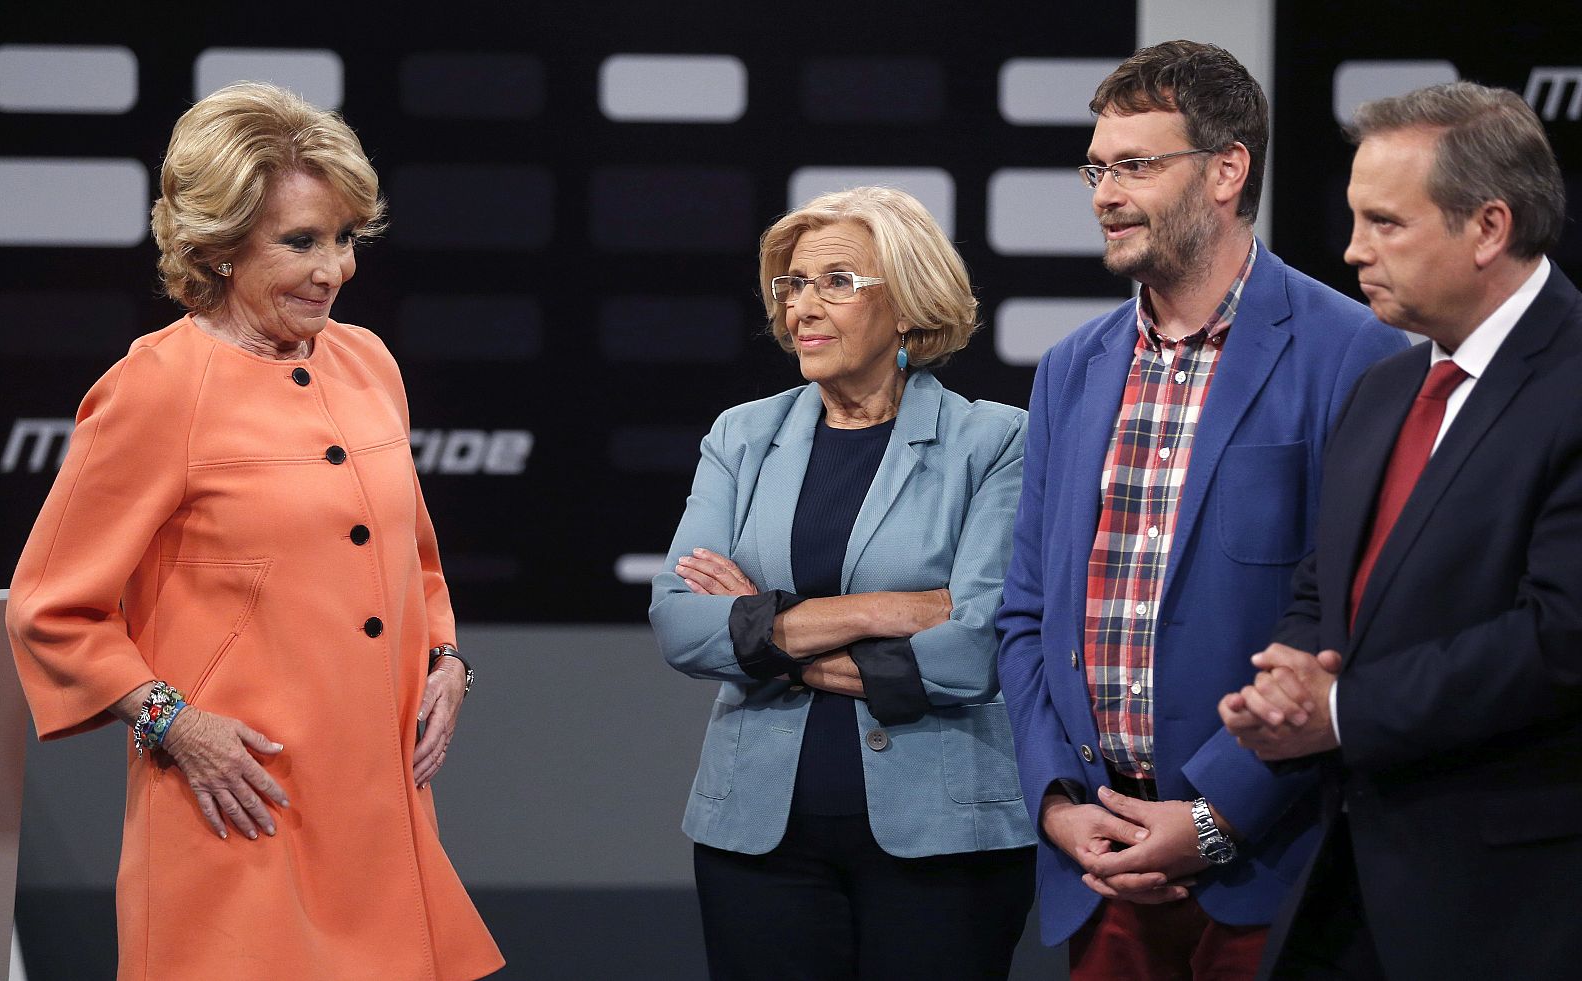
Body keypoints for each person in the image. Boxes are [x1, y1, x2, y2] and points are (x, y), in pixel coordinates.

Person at [6, 83, 503, 981]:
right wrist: (173, 723)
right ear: (219, 247)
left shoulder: (369, 362)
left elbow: (412, 559)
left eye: (344, 238)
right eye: (301, 242)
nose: (335, 268)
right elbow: (51, 608)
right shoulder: (156, 386)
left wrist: (449, 662)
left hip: (381, 818)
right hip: (240, 814)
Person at [995, 41, 1405, 980]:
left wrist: (1216, 817)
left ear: (1228, 170)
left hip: (1274, 867)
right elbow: (1025, 615)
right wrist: (1061, 803)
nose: (1104, 192)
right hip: (1097, 874)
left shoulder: (1357, 355)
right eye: (1097, 167)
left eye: (1136, 165)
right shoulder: (1071, 368)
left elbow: (1359, 625)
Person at [1221, 81, 1582, 980]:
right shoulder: (1388, 385)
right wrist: (1282, 684)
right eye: (1355, 219)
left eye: (1386, 223)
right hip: (1342, 884)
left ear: (1489, 228)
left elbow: (1562, 635)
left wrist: (1338, 712)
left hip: (1514, 905)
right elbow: (1327, 579)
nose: (1351, 251)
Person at [649, 186, 1036, 980]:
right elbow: (681, 623)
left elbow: (971, 650)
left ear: (906, 304)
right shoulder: (743, 435)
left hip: (943, 840)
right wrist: (887, 610)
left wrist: (761, 631)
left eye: (836, 282)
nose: (800, 309)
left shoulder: (994, 440)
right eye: (790, 286)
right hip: (759, 839)